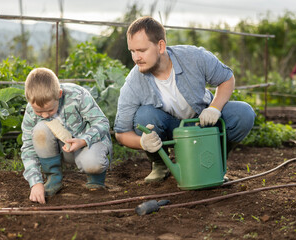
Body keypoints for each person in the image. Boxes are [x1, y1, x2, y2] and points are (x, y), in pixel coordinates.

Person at [114, 16, 255, 183]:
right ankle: (160, 164)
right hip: (170, 129)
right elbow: (121, 133)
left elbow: (227, 78)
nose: (136, 58)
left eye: (142, 50)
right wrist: (142, 142)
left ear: (160, 46)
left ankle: (215, 162)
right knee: (145, 116)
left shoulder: (194, 57)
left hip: (202, 122)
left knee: (243, 113)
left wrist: (214, 108)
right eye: (132, 51)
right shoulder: (134, 81)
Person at [21, 68, 112, 204]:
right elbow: (28, 147)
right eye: (38, 111)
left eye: (50, 109)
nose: (45, 115)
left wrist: (83, 140)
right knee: (40, 129)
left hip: (88, 144)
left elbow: (102, 123)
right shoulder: (30, 110)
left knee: (93, 163)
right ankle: (53, 178)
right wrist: (35, 183)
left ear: (59, 94)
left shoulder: (78, 95)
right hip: (63, 150)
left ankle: (95, 179)